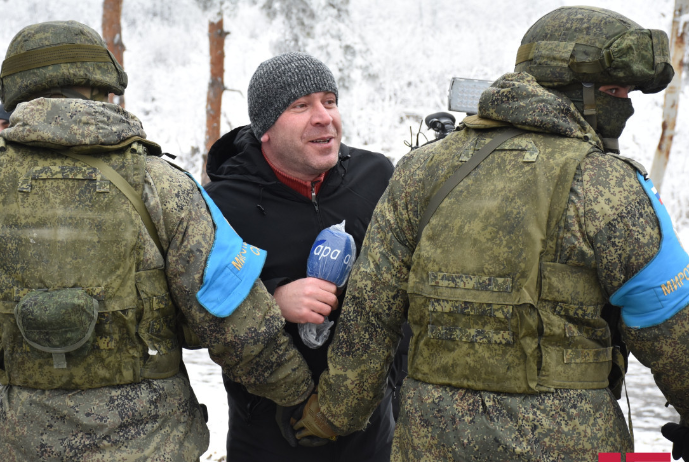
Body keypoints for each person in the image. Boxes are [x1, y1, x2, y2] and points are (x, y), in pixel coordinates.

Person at [291, 7, 690, 462]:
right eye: (615, 90)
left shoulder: (422, 170)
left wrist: (334, 413)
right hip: (568, 444)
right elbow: (674, 329)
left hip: (431, 441)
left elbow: (371, 310)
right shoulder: (608, 185)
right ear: (573, 87)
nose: (628, 104)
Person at [0, 21, 313, 462]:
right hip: (153, 446)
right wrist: (304, 398)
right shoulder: (161, 184)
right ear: (105, 89)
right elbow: (234, 320)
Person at [204, 52, 401, 462]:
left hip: (370, 430)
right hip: (268, 431)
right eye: (301, 106)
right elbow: (197, 311)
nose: (323, 117)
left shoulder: (378, 177)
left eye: (329, 101)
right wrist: (272, 299)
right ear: (266, 129)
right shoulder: (222, 203)